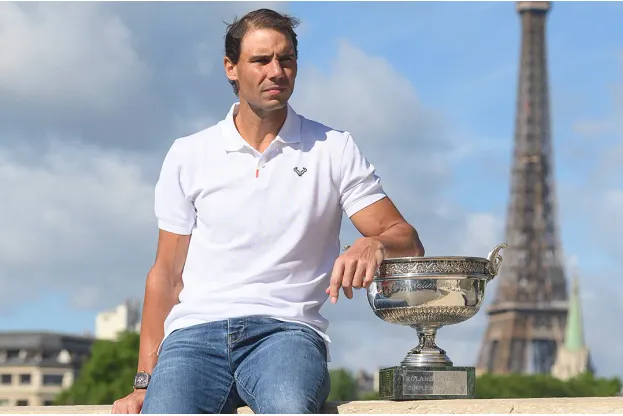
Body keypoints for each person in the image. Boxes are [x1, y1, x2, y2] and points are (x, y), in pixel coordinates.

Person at [111, 7, 424, 415]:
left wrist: (374, 243)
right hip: (193, 338)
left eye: (286, 58)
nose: (276, 71)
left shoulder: (333, 148)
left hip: (286, 334)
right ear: (231, 68)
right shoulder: (188, 154)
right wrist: (143, 383)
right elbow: (166, 275)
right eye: (261, 60)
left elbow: (409, 243)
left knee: (289, 408)